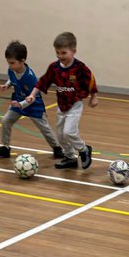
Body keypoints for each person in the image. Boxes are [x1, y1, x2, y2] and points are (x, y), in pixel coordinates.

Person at [22, 32, 98, 169]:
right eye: (57, 53)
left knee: (69, 132)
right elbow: (43, 81)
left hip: (75, 104)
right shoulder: (54, 68)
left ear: (73, 51)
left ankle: (83, 149)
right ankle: (70, 158)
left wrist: (94, 96)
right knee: (60, 136)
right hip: (61, 106)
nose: (60, 56)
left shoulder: (79, 68)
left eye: (64, 53)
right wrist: (32, 95)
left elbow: (90, 80)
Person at [0, 39, 63, 161]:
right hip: (18, 103)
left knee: (45, 129)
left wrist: (21, 104)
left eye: (12, 63)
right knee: (6, 121)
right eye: (8, 63)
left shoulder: (30, 77)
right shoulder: (11, 70)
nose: (10, 66)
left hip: (33, 106)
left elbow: (32, 98)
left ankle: (57, 148)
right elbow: (11, 79)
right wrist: (6, 85)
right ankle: (5, 148)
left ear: (22, 61)